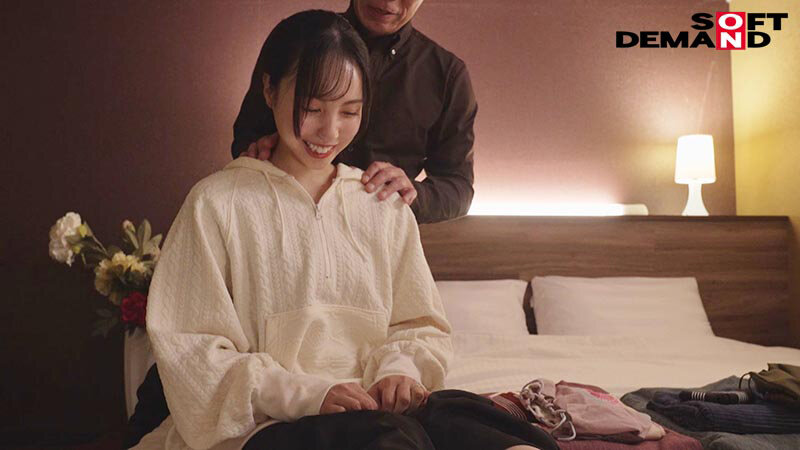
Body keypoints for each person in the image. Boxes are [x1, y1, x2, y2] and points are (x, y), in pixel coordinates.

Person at [133, 10, 555, 450]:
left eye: (350, 111)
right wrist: (309, 394)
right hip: (271, 422)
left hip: (378, 412)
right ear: (269, 90)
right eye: (312, 109)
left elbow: (419, 324)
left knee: (476, 422)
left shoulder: (383, 205)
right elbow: (191, 349)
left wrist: (400, 371)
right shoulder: (216, 203)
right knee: (389, 437)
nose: (330, 131)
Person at [234, 0, 477, 225]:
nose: (387, 1)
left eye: (350, 112)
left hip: (379, 230)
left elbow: (458, 186)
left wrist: (410, 194)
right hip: (280, 217)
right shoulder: (297, 41)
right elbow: (246, 137)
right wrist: (260, 151)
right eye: (312, 108)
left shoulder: (447, 74)